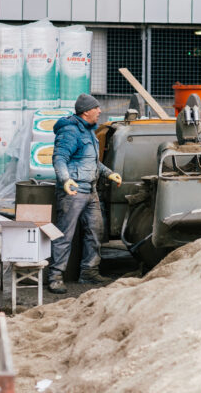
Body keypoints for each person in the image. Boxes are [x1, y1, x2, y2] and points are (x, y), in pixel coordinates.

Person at [48, 93, 122, 293]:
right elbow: (59, 158)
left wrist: (109, 173)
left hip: (91, 190)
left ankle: (89, 272)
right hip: (73, 190)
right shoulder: (70, 131)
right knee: (65, 234)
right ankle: (55, 276)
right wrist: (65, 179)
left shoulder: (88, 130)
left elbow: (91, 161)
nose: (100, 111)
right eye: (96, 108)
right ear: (86, 111)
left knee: (95, 231)